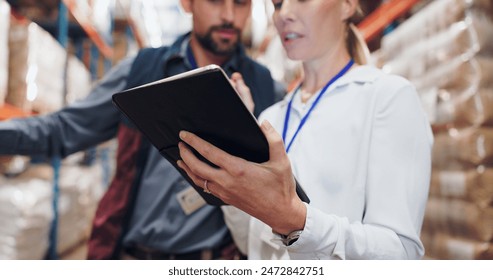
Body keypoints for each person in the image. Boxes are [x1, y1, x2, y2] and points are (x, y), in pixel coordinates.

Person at [0, 0, 279, 259]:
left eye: (241, 2)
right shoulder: (143, 70)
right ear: (187, 3)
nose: (229, 16)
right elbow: (65, 129)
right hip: (134, 256)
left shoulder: (266, 88)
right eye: (216, 1)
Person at [176, 0, 434, 260]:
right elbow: (249, 243)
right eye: (277, 4)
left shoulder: (387, 98)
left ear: (347, 5)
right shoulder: (271, 116)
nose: (284, 14)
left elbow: (400, 253)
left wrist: (292, 218)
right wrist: (231, 141)